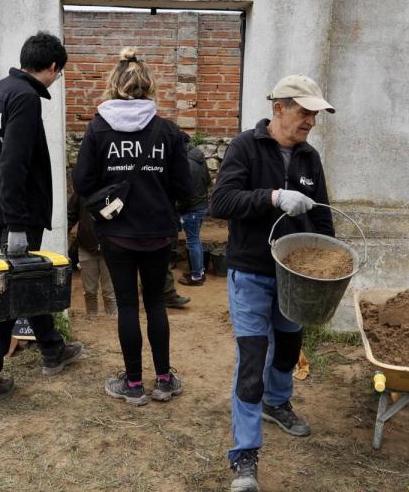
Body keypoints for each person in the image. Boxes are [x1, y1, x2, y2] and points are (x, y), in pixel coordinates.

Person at [210, 75, 336, 492]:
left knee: (288, 348)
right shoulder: (246, 147)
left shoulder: (309, 159)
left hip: (296, 277)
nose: (311, 122)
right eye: (304, 112)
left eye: (315, 114)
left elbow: (321, 218)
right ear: (279, 108)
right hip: (251, 271)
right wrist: (273, 197)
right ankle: (244, 456)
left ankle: (277, 401)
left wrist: (332, 260)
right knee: (251, 362)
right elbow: (222, 202)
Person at [0, 31, 83, 409]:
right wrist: (15, 221)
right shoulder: (27, 98)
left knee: (30, 278)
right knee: (11, 291)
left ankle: (52, 348)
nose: (56, 79)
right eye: (58, 73)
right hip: (17, 213)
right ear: (51, 67)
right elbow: (12, 163)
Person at [73, 47, 192, 406]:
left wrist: (108, 198)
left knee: (128, 306)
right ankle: (164, 380)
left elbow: (81, 182)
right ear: (149, 86)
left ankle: (134, 386)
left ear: (113, 85)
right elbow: (186, 189)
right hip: (157, 231)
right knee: (155, 303)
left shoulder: (98, 128)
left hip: (116, 233)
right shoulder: (168, 132)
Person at [67, 190, 117, 316]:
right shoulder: (82, 190)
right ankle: (91, 320)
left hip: (111, 248)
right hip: (86, 246)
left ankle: (114, 325)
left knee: (110, 293)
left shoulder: (115, 188)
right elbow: (70, 214)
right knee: (89, 292)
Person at [177, 131, 211, 286]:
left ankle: (196, 276)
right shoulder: (199, 157)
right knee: (195, 239)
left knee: (192, 241)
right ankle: (200, 270)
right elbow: (208, 182)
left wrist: (178, 209)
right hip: (201, 205)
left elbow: (186, 193)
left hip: (192, 208)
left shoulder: (187, 163)